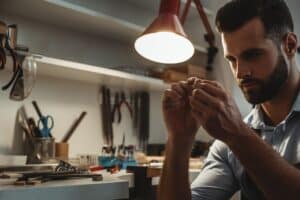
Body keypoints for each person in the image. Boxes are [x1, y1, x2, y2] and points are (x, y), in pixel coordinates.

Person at [158, 0, 300, 199]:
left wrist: (236, 134)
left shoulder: (234, 133)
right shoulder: (229, 140)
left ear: (290, 46)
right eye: (232, 59)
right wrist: (178, 140)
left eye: (253, 54)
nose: (240, 72)